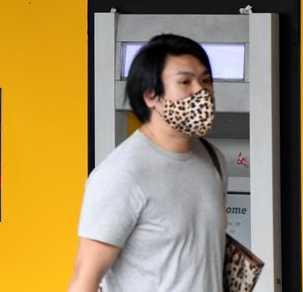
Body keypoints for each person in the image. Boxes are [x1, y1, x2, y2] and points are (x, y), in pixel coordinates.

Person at [67, 34, 227, 292]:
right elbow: (84, 279)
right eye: (185, 82)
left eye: (205, 80)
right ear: (151, 95)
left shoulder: (212, 159)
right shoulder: (122, 174)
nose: (200, 91)